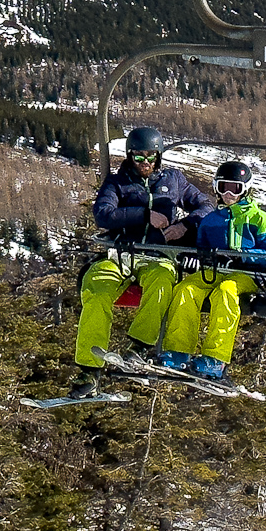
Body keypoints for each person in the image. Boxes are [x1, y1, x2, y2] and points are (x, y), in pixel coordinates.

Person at [69, 127, 214, 397]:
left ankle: (138, 346)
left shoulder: (174, 180)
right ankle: (89, 370)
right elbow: (103, 215)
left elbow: (205, 206)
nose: (145, 163)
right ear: (129, 156)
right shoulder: (117, 182)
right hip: (121, 254)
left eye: (150, 157)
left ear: (158, 157)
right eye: (138, 158)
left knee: (162, 282)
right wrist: (144, 215)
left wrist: (184, 226)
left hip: (157, 255)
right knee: (96, 288)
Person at [160, 160, 266, 380]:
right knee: (185, 289)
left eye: (234, 188)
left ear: (245, 189)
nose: (228, 193)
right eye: (222, 187)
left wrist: (244, 254)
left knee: (226, 292)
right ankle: (178, 352)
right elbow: (202, 250)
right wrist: (194, 260)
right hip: (213, 272)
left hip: (244, 275)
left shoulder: (258, 218)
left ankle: (215, 358)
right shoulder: (211, 220)